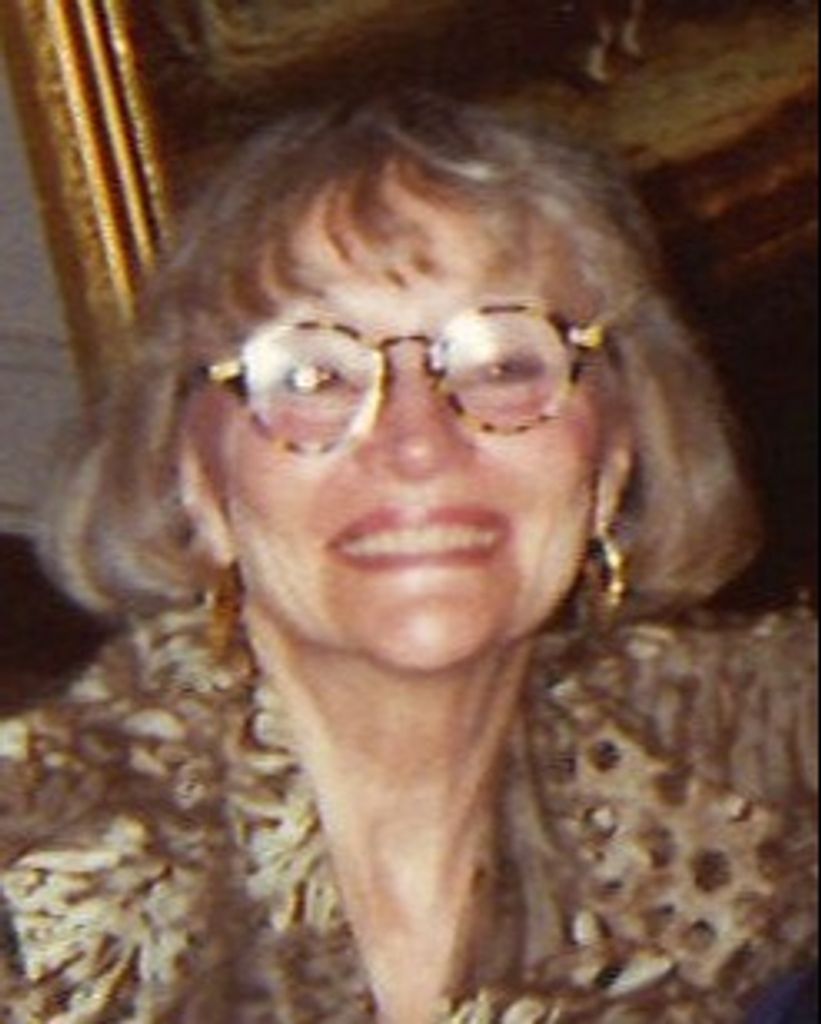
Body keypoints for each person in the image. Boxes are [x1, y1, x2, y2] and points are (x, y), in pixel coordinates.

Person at [0, 93, 816, 1024]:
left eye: (503, 364)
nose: (418, 443)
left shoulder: (728, 750)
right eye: (313, 375)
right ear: (195, 479)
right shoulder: (45, 876)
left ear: (616, 457)